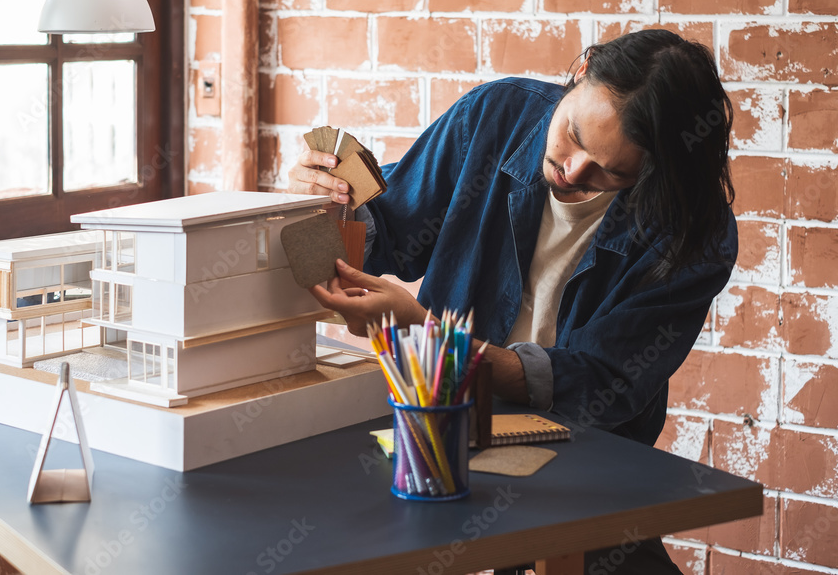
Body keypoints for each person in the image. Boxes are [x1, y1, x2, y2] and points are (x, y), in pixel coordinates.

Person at [287, 29, 737, 574]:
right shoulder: (494, 117)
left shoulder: (694, 231)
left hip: (586, 456)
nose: (571, 173)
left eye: (610, 171)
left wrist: (436, 339)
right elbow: (392, 230)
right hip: (440, 429)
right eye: (572, 134)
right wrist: (326, 202)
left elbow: (604, 383)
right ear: (582, 70)